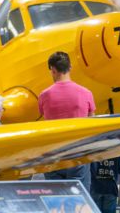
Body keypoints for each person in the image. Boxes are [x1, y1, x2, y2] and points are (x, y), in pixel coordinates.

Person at [39, 51, 96, 191]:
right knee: (80, 200)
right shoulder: (86, 93)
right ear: (70, 67)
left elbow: (43, 118)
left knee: (55, 200)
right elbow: (93, 123)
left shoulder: (44, 96)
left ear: (52, 70)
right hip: (78, 154)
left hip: (53, 155)